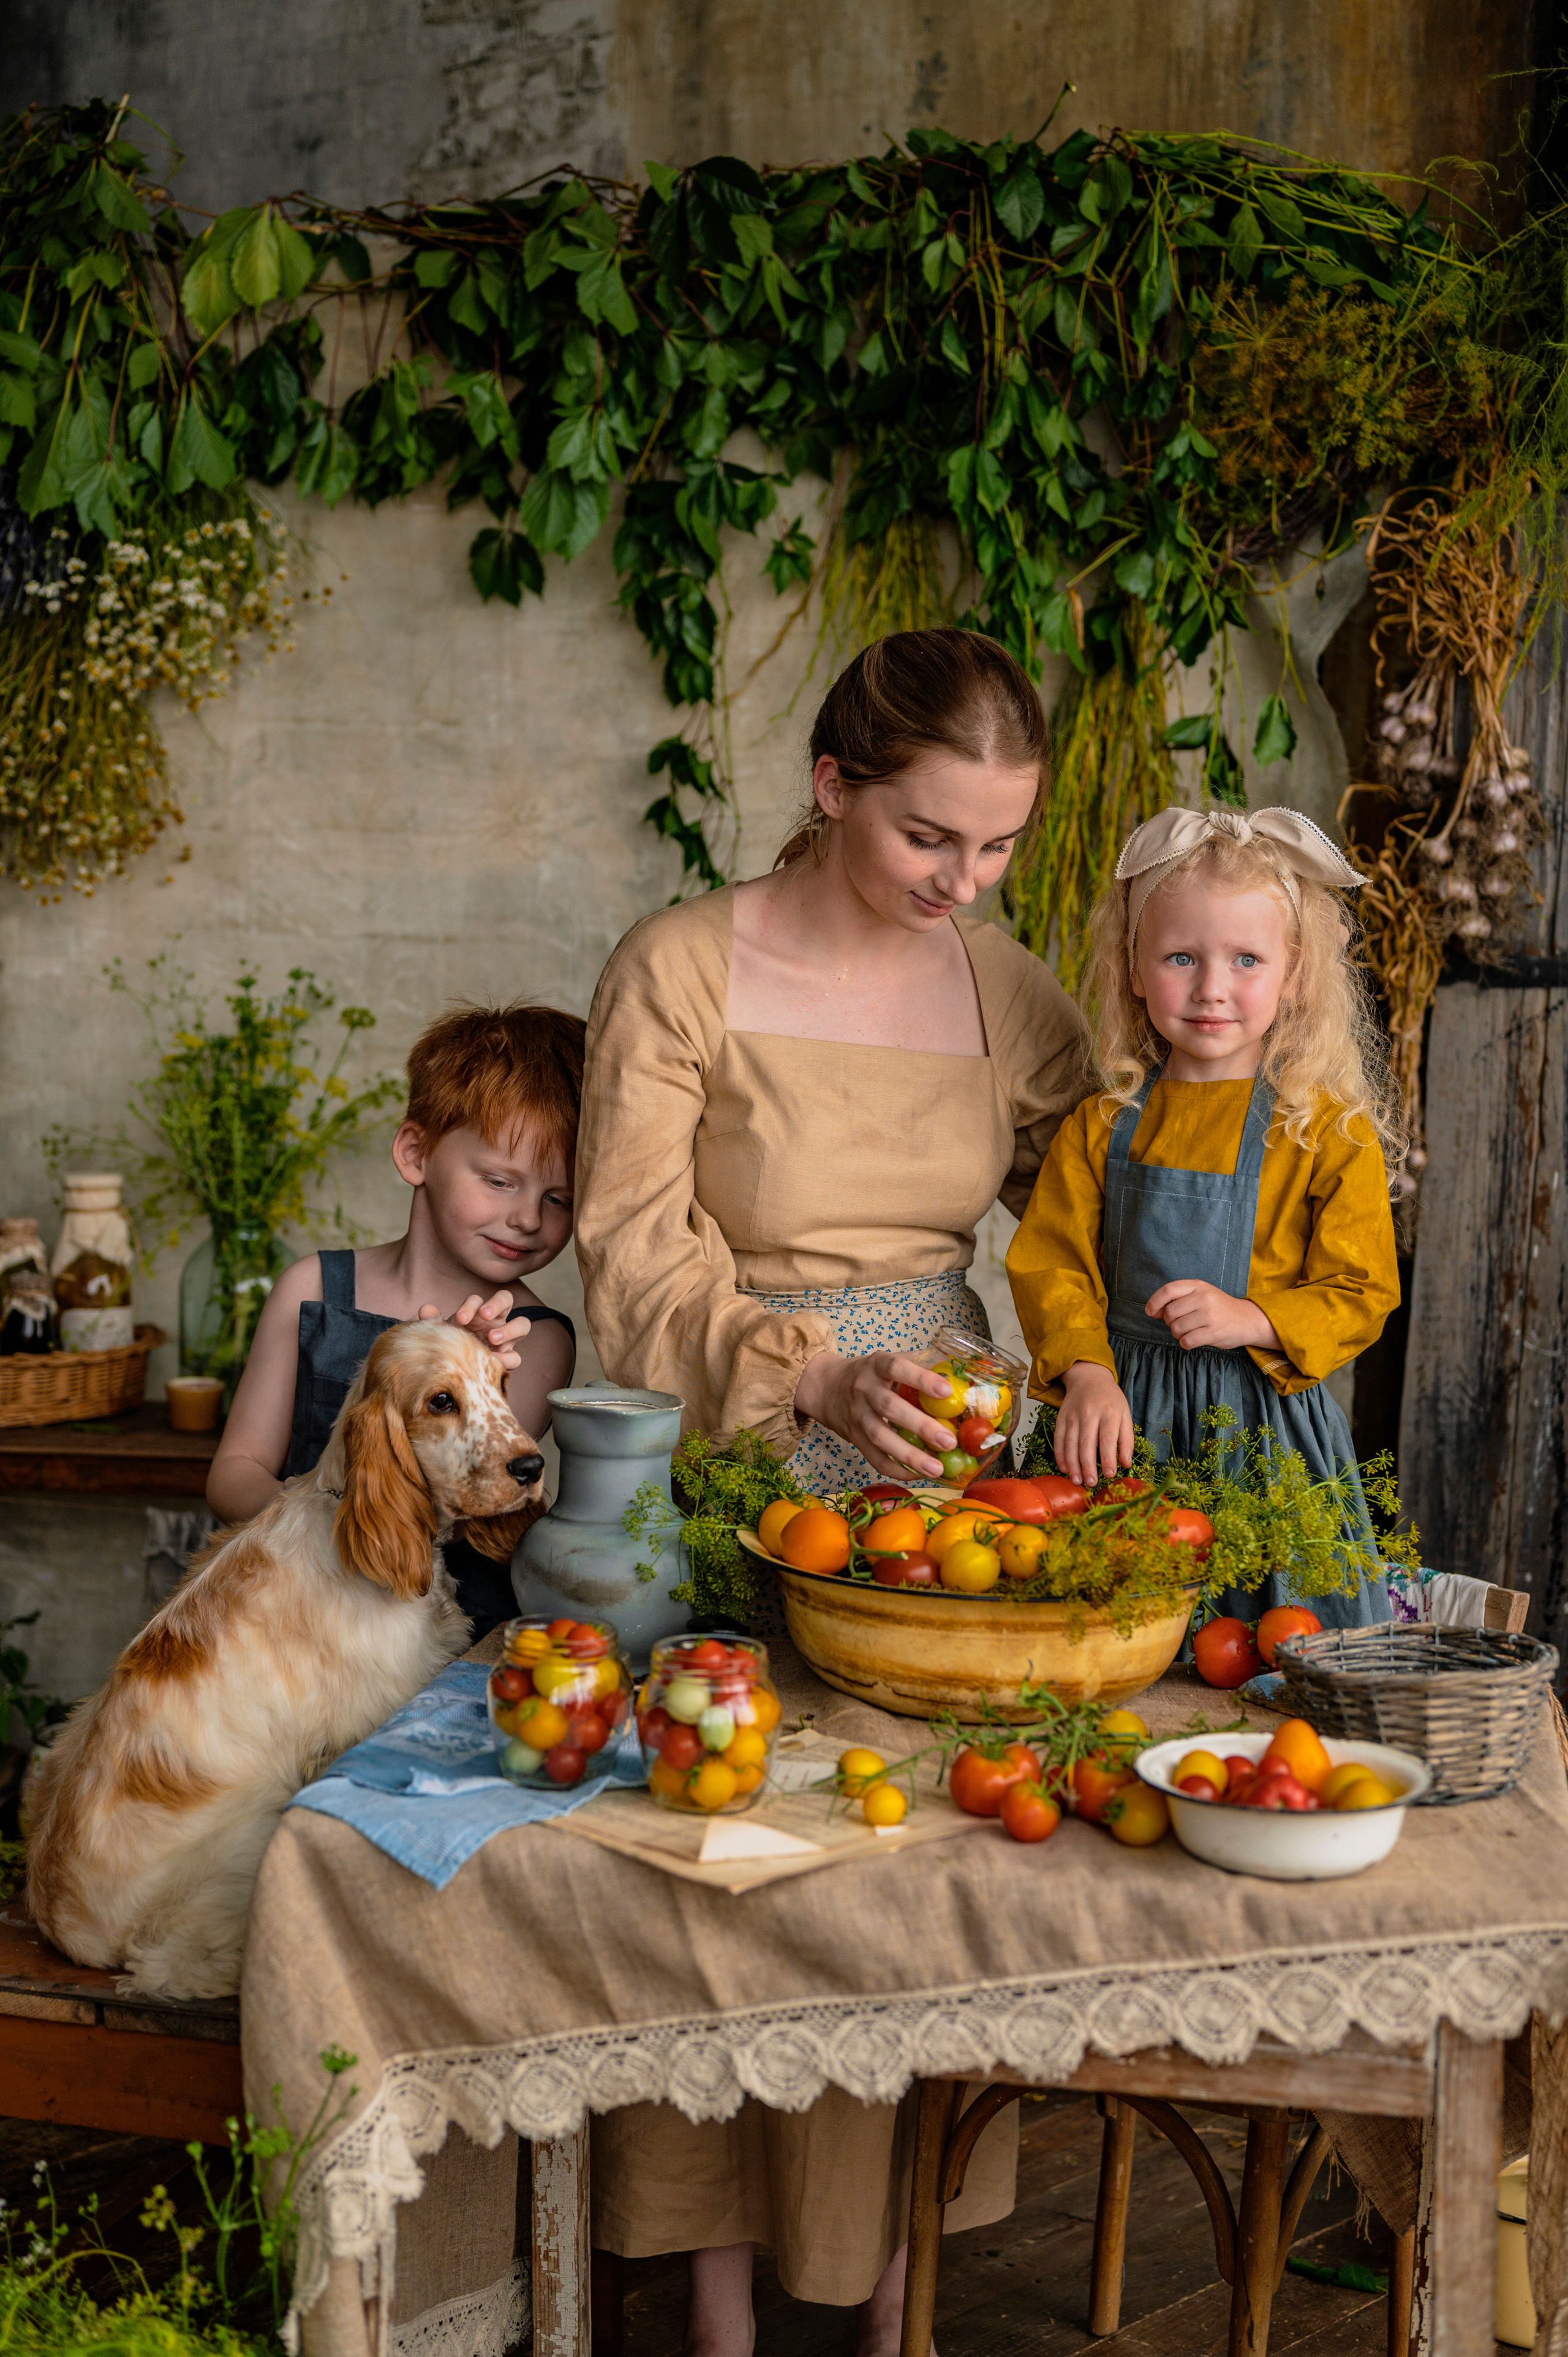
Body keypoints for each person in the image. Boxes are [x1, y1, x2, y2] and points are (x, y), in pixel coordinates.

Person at [573, 627, 1091, 2357]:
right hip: (740, 1447)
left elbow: (1098, 1206)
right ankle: (713, 2300)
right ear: (831, 784)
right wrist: (812, 1375)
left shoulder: (1009, 990)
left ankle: (897, 2300)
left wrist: (1073, 1364)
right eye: (931, 834)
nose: (968, 877)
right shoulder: (681, 966)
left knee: (922, 1852)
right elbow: (631, 1244)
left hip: (949, 1465)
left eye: (1002, 842)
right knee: (738, 1861)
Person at [1006, 803, 1402, 1624]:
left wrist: (1255, 1316)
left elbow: (1363, 1285)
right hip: (1119, 1415)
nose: (1213, 987)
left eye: (1247, 958)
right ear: (1135, 968)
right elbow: (1052, 1262)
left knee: (1268, 1632)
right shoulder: (1106, 1120)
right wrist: (1085, 1372)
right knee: (1102, 1624)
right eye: (1182, 956)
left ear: (1294, 972)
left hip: (1261, 1426)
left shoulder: (1324, 1128)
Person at [208, 1001, 584, 1637]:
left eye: (559, 1199)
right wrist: (330, 1521)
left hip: (439, 1626)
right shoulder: (310, 1288)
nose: (528, 1218)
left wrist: (459, 1374)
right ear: (416, 1153)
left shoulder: (533, 1336)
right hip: (287, 1611)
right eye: (499, 1180)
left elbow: (478, 1501)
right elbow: (232, 1474)